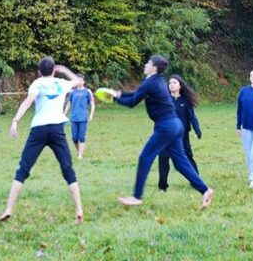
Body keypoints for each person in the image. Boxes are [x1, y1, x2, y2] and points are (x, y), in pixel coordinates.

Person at [110, 55, 214, 209]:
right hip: (176, 125)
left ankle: (136, 197)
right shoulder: (158, 80)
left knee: (145, 157)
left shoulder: (150, 82)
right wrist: (119, 94)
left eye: (148, 63)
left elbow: (132, 102)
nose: (145, 65)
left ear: (155, 67)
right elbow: (136, 94)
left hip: (166, 126)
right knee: (180, 163)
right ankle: (205, 190)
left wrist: (114, 98)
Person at [0, 57, 84, 224]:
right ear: (53, 70)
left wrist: (15, 121)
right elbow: (78, 81)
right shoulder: (61, 83)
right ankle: (79, 210)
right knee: (68, 169)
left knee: (23, 169)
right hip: (56, 130)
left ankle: (8, 209)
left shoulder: (37, 84)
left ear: (39, 71)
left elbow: (27, 102)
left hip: (38, 129)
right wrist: (64, 70)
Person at [157, 75, 202, 191]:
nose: (171, 85)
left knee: (188, 157)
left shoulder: (185, 102)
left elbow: (192, 117)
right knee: (163, 157)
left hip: (182, 135)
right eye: (170, 83)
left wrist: (197, 130)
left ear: (180, 85)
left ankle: (196, 181)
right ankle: (162, 185)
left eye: (174, 83)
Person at [64, 75, 95, 159]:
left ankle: (80, 155)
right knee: (74, 138)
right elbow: (69, 104)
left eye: (81, 80)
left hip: (83, 118)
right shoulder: (72, 92)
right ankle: (79, 151)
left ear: (84, 82)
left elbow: (92, 104)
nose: (79, 82)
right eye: (78, 80)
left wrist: (91, 115)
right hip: (74, 117)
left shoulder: (87, 91)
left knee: (81, 137)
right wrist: (64, 114)